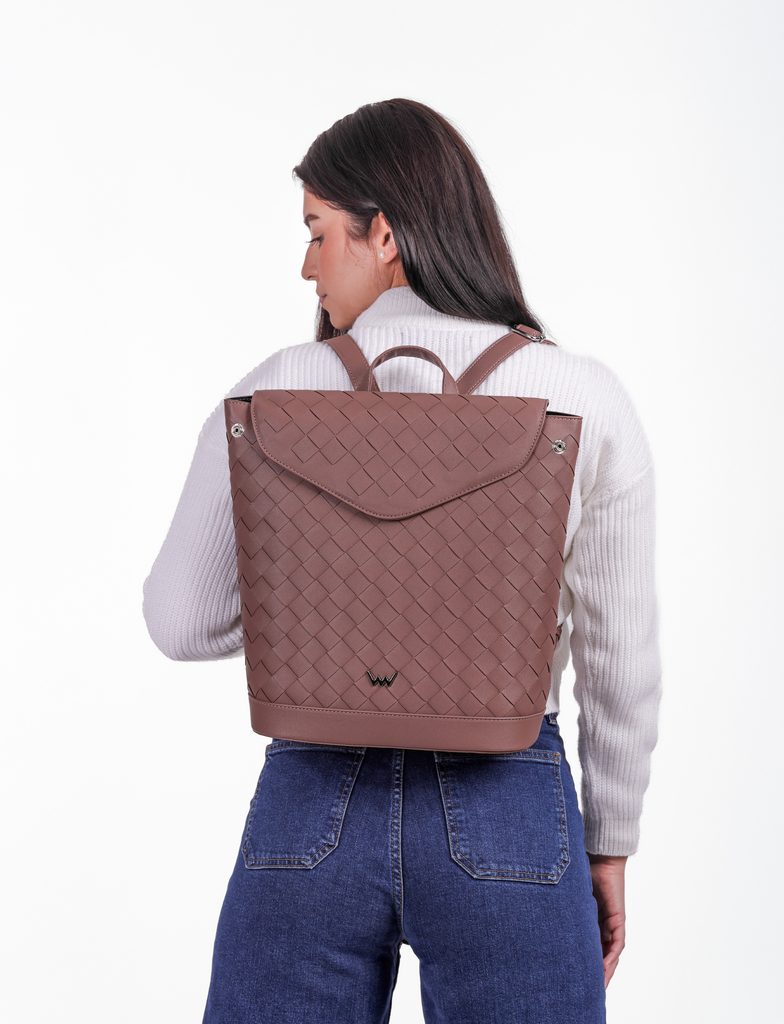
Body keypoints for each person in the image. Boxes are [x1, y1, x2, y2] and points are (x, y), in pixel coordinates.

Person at [142, 97, 662, 1024]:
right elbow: (619, 655)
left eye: (317, 232)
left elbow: (181, 622)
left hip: (312, 800)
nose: (306, 265)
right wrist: (609, 840)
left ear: (383, 234)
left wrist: (322, 598)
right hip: (508, 802)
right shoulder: (582, 394)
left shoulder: (276, 389)